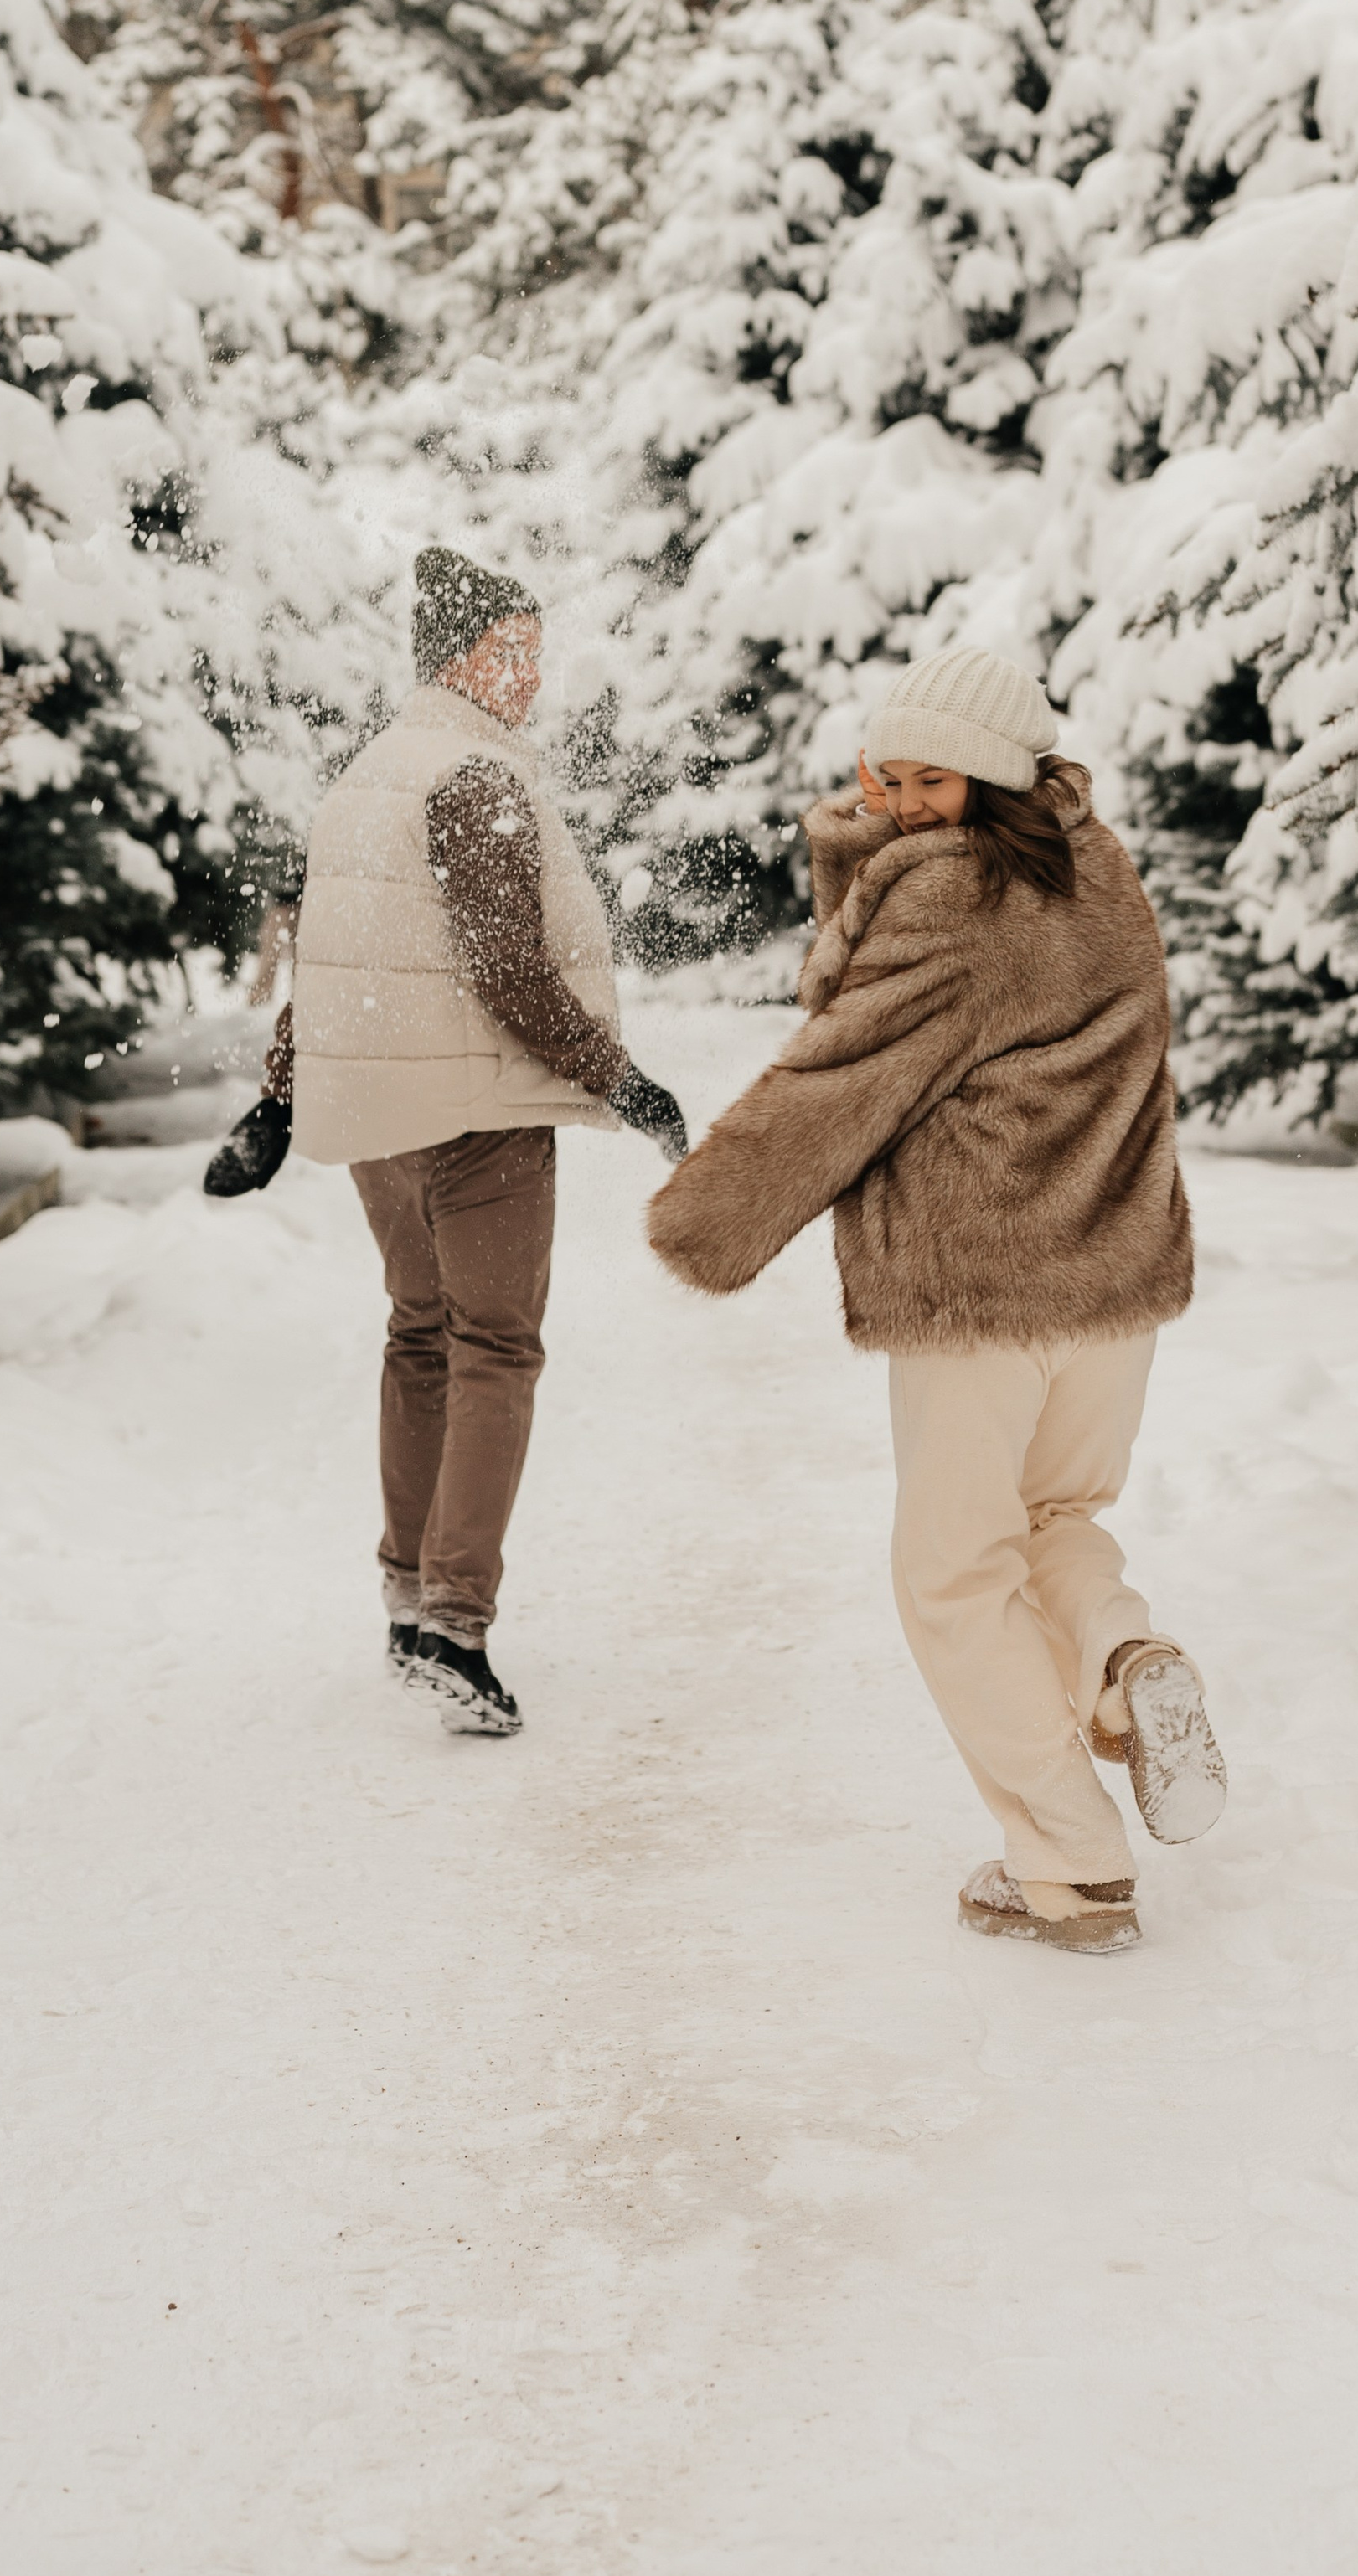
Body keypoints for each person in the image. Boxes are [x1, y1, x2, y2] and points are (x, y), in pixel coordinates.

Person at [645, 646, 1222, 1954]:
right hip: (1110, 1286)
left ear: (996, 775)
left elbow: (841, 1068)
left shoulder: (948, 901)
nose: (902, 802)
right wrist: (875, 852)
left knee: (952, 1579)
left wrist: (705, 1222)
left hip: (981, 1293)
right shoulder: (1097, 866)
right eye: (884, 777)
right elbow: (924, 995)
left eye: (929, 781)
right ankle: (1128, 1665)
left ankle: (1071, 1868)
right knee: (1055, 1515)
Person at [218, 545, 687, 1738]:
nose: (535, 676)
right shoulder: (475, 777)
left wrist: (281, 1098)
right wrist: (617, 1080)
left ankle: (404, 1598)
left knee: (419, 1336)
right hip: (478, 1120)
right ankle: (456, 1626)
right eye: (519, 651)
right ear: (469, 657)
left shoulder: (367, 774)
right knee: (496, 1350)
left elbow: (338, 966)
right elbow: (507, 968)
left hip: (382, 1121)